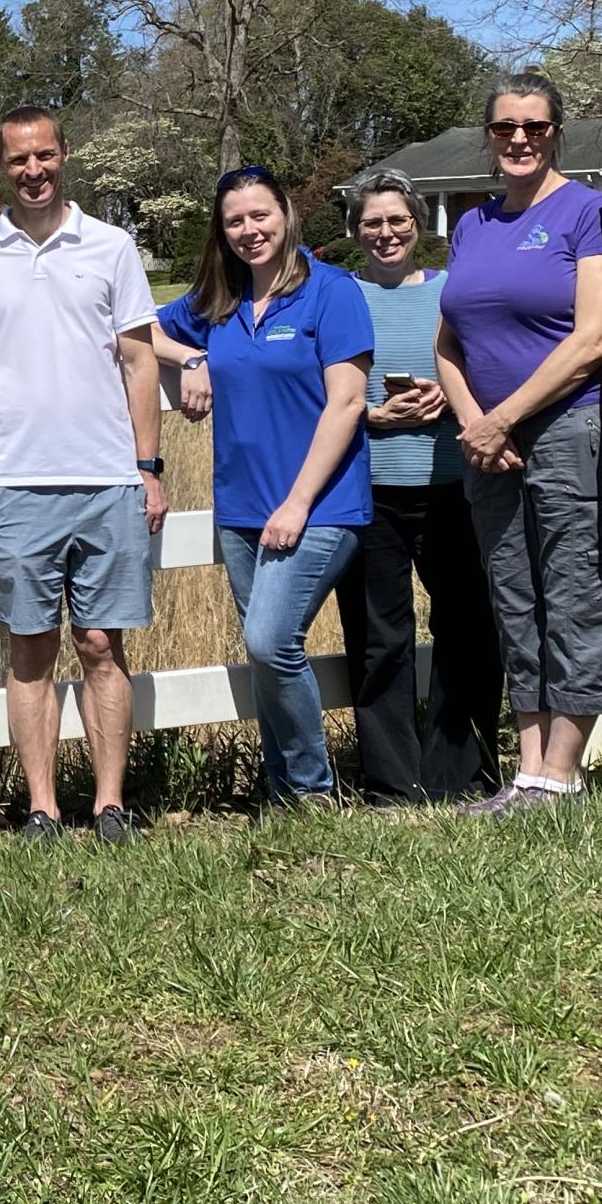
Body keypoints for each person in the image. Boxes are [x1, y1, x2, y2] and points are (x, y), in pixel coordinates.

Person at [0, 105, 164, 845]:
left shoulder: (112, 246)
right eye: (17, 159)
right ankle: (41, 807)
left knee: (101, 644)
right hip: (13, 479)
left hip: (105, 479)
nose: (33, 170)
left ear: (65, 154)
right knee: (30, 647)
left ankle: (110, 805)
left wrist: (148, 468)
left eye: (44, 155)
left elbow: (138, 357)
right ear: (1, 166)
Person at [430, 77, 602, 816]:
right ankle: (530, 768)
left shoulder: (584, 211)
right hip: (488, 444)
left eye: (535, 126)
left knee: (574, 588)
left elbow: (591, 339)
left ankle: (562, 774)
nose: (520, 138)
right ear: (488, 133)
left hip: (567, 427)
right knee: (513, 595)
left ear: (555, 131)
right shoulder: (472, 223)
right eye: (506, 126)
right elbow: (448, 339)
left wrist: (502, 416)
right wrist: (475, 421)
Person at [154, 168, 372, 806]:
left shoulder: (332, 292)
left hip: (321, 504)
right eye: (235, 221)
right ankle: (283, 795)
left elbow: (348, 403)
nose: (250, 231)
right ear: (221, 232)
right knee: (266, 657)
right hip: (242, 506)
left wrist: (298, 503)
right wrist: (191, 359)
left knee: (270, 640)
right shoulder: (219, 301)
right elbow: (136, 331)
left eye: (260, 216)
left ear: (286, 215)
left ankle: (310, 791)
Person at [334, 168, 502, 805]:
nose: (386, 233)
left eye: (397, 220)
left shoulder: (452, 293)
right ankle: (392, 781)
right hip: (368, 490)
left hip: (453, 483)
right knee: (380, 636)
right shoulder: (340, 296)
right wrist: (372, 414)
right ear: (356, 232)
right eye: (372, 223)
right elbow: (322, 392)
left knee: (467, 625)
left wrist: (452, 402)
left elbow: (490, 367)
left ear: (418, 225)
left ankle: (459, 772)